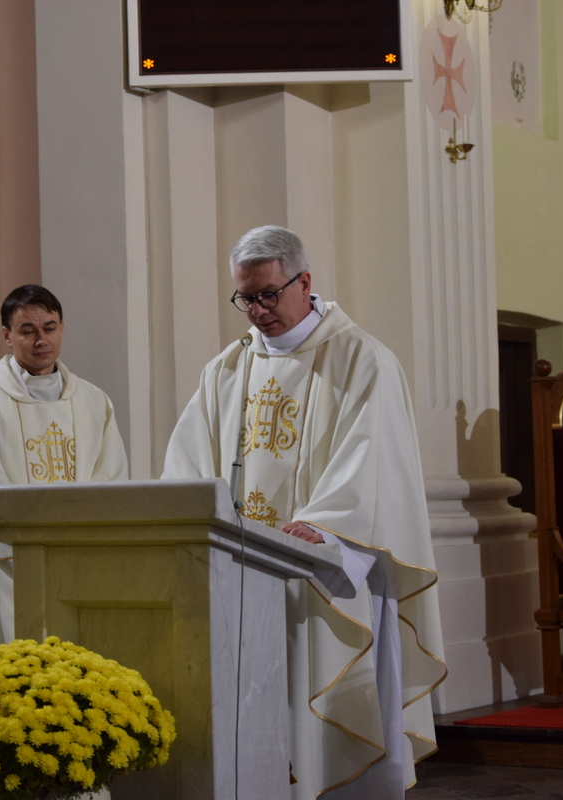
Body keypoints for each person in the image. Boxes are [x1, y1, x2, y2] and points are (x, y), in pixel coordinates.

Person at [161, 225, 446, 798]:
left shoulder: (363, 359)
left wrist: (323, 524)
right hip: (239, 573)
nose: (257, 311)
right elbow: (188, 464)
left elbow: (372, 461)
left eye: (268, 294)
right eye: (246, 298)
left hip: (325, 569)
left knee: (318, 708)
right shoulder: (227, 369)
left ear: (304, 281)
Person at [0, 284, 128, 643]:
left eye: (49, 328)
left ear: (62, 328)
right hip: (10, 558)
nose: (41, 340)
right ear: (7, 335)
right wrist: (36, 534)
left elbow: (111, 476)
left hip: (80, 554)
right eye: (27, 331)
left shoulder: (93, 400)